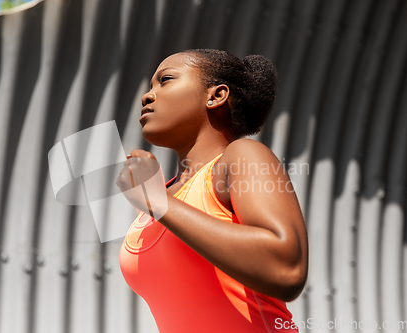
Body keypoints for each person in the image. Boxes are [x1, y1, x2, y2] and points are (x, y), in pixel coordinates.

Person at [116, 49, 308, 333]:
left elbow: (286, 269)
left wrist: (157, 201)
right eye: (150, 86)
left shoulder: (242, 156)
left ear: (216, 96)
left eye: (165, 80)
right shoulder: (160, 197)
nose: (147, 95)